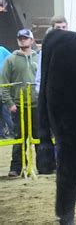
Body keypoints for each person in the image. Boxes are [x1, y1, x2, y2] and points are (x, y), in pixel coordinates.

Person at [1, 29, 41, 177]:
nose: (22, 40)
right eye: (20, 38)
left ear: (31, 40)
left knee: (39, 137)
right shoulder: (11, 59)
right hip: (18, 106)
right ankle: (16, 167)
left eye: (25, 38)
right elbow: (4, 83)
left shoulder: (39, 58)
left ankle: (43, 166)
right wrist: (9, 103)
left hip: (36, 105)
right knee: (19, 138)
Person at [0, 45, 12, 139]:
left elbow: (12, 60)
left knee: (6, 113)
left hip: (4, 88)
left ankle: (13, 131)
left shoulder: (2, 50)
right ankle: (1, 134)